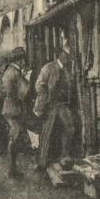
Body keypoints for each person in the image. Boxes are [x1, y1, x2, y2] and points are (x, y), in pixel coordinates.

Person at [33, 42, 76, 171]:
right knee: (47, 132)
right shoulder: (49, 67)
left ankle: (64, 156)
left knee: (70, 128)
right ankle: (42, 162)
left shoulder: (68, 69)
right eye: (66, 55)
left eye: (69, 56)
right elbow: (38, 85)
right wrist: (46, 99)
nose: (68, 58)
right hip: (50, 105)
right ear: (61, 54)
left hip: (63, 104)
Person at [0, 47, 30, 180]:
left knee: (13, 138)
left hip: (9, 108)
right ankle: (12, 169)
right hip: (14, 109)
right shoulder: (16, 73)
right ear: (20, 59)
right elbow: (23, 93)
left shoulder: (8, 71)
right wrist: (27, 79)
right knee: (14, 139)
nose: (24, 62)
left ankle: (13, 168)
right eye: (23, 59)